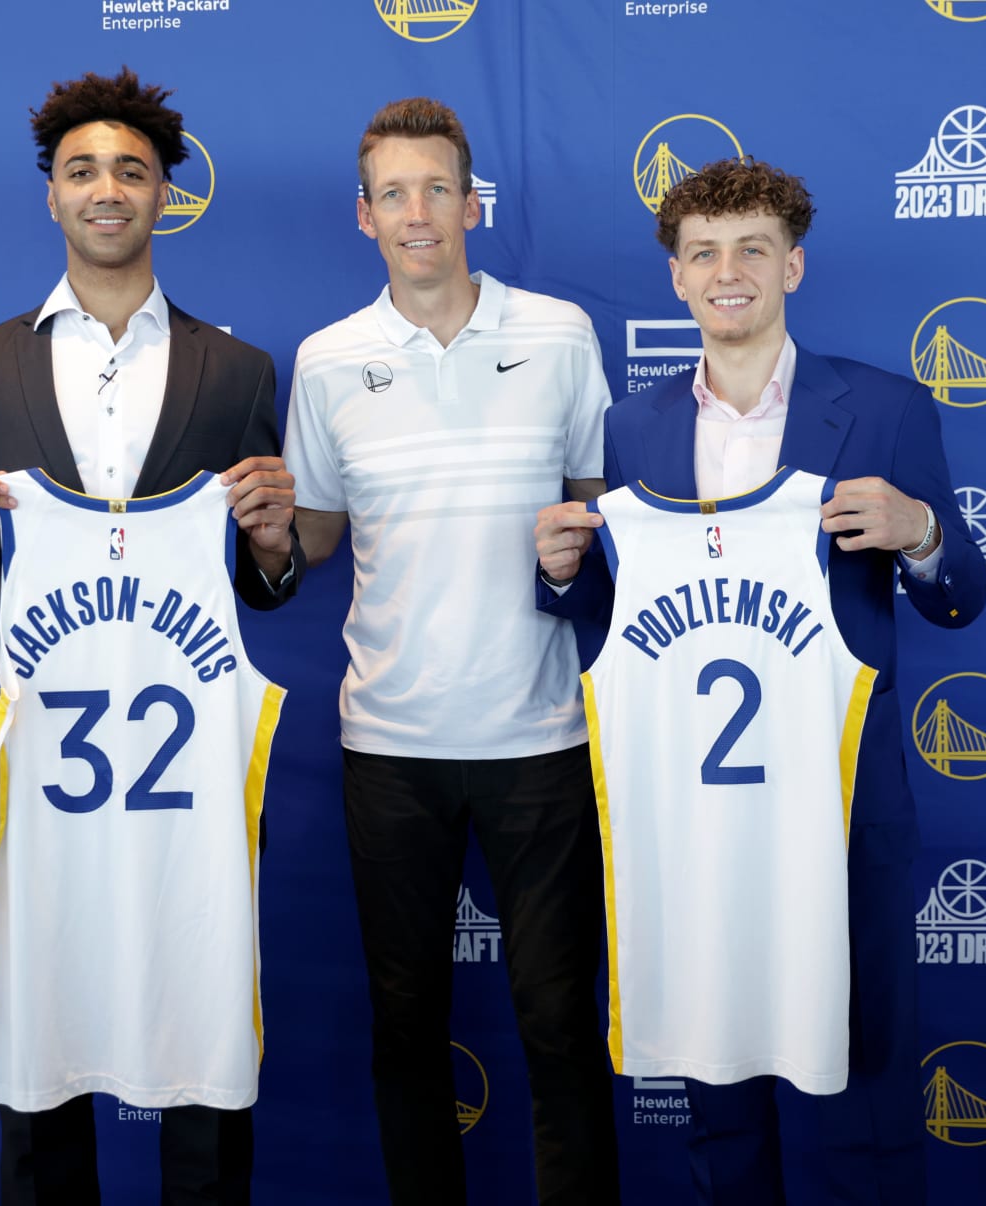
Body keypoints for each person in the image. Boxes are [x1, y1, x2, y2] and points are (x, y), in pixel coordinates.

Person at [534, 158, 986, 1205]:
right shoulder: (633, 429)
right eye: (703, 254)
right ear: (676, 278)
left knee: (864, 1086)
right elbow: (632, 627)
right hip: (696, 817)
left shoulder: (882, 408)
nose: (726, 272)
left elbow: (959, 600)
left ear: (793, 266)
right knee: (717, 1094)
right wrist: (561, 579)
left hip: (838, 810)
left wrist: (921, 534)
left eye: (751, 250)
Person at [0, 67, 302, 1206]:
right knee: (39, 1053)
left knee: (206, 1052)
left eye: (131, 169)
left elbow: (261, 587)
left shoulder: (240, 371)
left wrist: (275, 541)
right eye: (83, 170)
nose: (107, 189)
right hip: (36, 771)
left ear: (166, 193)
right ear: (53, 198)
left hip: (191, 780)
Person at [283, 97, 620, 1205]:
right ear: (364, 216)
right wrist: (259, 518)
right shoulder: (326, 361)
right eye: (394, 193)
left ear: (472, 201)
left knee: (564, 1023)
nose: (417, 212)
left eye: (438, 188)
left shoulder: (561, 333)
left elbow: (597, 517)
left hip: (544, 737)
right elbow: (321, 536)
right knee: (404, 1023)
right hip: (390, 743)